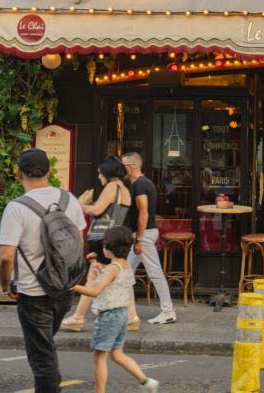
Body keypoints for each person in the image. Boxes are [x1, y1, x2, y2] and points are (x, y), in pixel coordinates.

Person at [0, 148, 86, 393]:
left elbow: (5, 257)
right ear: (49, 172)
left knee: (41, 357)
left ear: (18, 174)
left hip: (32, 292)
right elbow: (78, 244)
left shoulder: (17, 208)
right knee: (45, 349)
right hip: (63, 290)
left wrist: (6, 287)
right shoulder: (69, 200)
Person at [74, 226, 159, 393]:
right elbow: (113, 277)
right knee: (117, 354)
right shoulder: (125, 265)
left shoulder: (112, 268)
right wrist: (100, 268)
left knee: (100, 358)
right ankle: (147, 381)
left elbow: (95, 291)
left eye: (104, 244)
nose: (103, 247)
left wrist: (72, 286)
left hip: (108, 317)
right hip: (121, 315)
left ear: (110, 248)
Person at [61, 157, 133, 332]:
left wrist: (81, 205)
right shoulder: (124, 188)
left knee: (94, 275)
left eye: (101, 173)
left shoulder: (111, 186)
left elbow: (97, 211)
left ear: (108, 173)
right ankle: (132, 317)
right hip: (118, 236)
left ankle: (78, 317)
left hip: (104, 239)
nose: (99, 177)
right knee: (119, 276)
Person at [120, 152, 176, 325]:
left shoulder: (139, 185)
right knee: (124, 271)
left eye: (123, 166)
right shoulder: (145, 182)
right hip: (143, 234)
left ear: (130, 167)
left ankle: (168, 311)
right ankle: (121, 308)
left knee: (155, 272)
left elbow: (143, 213)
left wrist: (139, 240)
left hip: (143, 235)